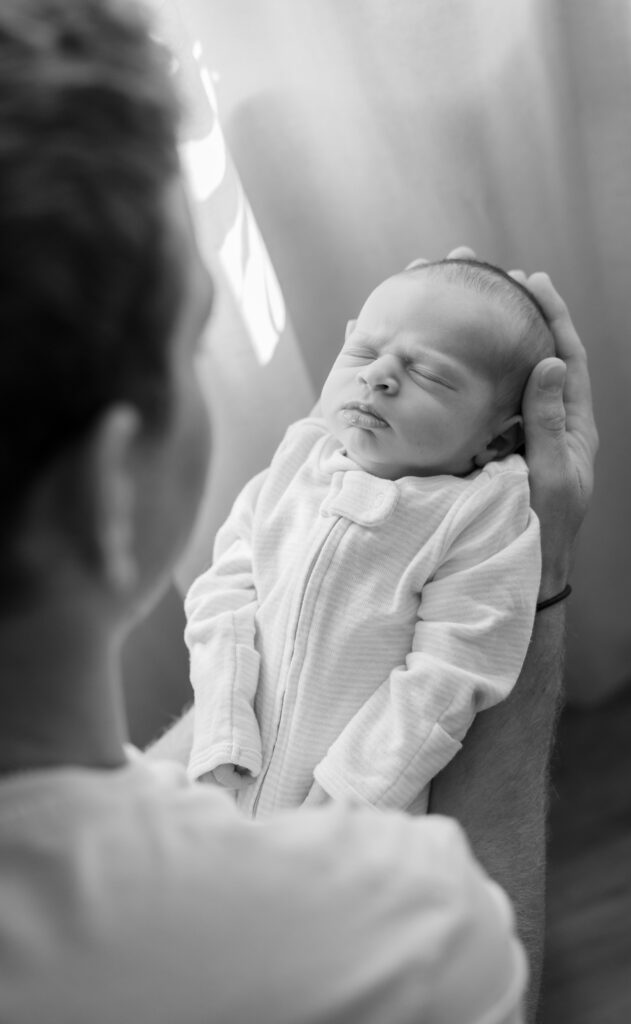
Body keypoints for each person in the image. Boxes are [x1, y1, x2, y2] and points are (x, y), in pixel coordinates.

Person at [0, 1, 598, 1022]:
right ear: (110, 488)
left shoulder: (469, 516)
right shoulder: (393, 933)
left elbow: (415, 663)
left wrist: (227, 740)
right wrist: (544, 587)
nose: (355, 386)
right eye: (192, 347)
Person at [186, 258, 553, 818]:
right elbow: (224, 590)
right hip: (224, 779)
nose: (376, 375)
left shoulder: (478, 515)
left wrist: (342, 804)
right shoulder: (297, 464)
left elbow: (449, 675)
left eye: (428, 373)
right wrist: (222, 720)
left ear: (498, 442)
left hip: (355, 819)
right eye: (361, 351)